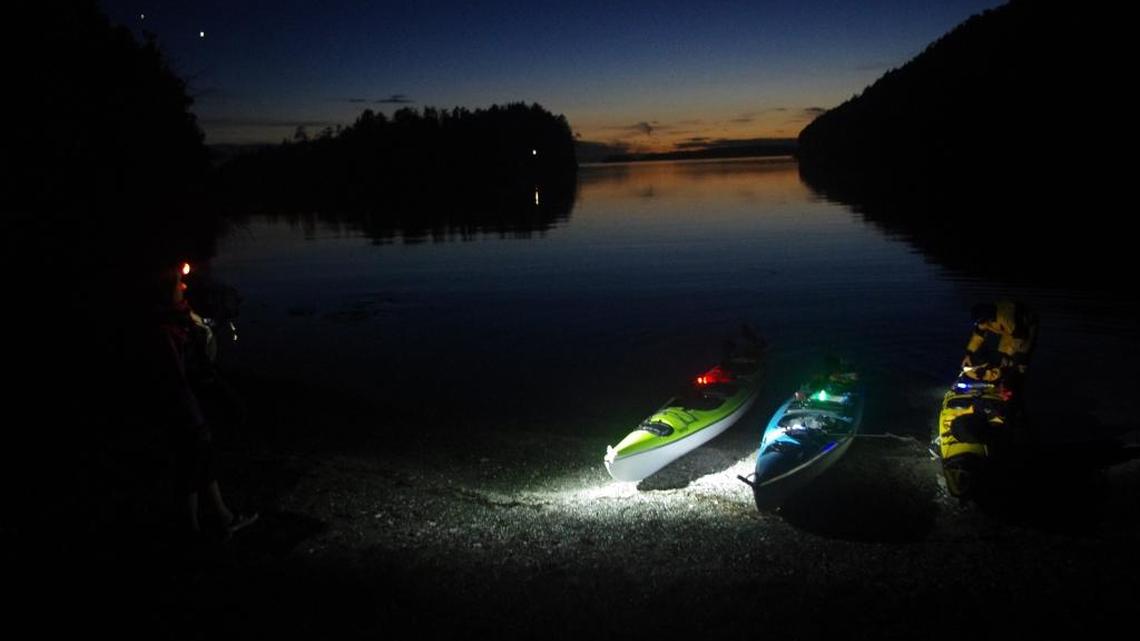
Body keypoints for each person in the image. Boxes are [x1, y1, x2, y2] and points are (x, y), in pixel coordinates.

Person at [147, 261, 256, 541]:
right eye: (177, 285)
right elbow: (174, 379)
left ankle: (219, 517)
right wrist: (193, 415)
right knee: (193, 459)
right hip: (180, 407)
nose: (184, 287)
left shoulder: (180, 319)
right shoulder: (163, 330)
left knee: (199, 458)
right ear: (163, 292)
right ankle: (193, 528)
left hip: (189, 403)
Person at [960, 301, 1037, 390]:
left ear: (988, 318)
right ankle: (1001, 381)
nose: (980, 325)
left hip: (1025, 328)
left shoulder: (1004, 317)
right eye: (978, 323)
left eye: (981, 322)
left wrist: (1008, 356)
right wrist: (969, 353)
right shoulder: (983, 320)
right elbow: (978, 336)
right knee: (1002, 356)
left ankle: (1018, 381)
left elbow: (1020, 337)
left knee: (1020, 356)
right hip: (1009, 330)